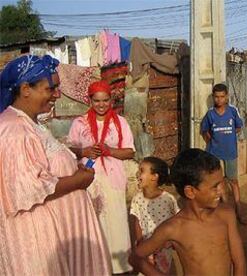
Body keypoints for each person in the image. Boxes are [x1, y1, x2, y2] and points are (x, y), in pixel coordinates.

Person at [0, 55, 111, 275]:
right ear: (25, 89)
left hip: (59, 230)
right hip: (34, 238)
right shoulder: (13, 130)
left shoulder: (30, 123)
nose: (57, 94)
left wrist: (72, 168)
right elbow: (26, 187)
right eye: (51, 88)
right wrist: (78, 180)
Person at [130, 148, 246, 276]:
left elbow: (239, 263)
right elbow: (135, 257)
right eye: (215, 186)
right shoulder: (173, 228)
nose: (221, 190)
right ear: (190, 192)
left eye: (221, 183)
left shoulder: (226, 215)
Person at [67, 80, 135, 274]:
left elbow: (130, 152)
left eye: (105, 100)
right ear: (90, 100)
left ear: (111, 100)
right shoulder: (79, 123)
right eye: (97, 101)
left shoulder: (120, 123)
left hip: (113, 181)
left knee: (117, 223)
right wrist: (83, 151)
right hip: (89, 182)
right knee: (93, 222)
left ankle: (119, 267)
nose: (101, 105)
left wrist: (110, 150)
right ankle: (95, 266)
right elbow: (68, 149)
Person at [201, 83, 245, 223]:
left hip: (230, 152)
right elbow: (205, 131)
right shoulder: (210, 114)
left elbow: (238, 127)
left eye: (222, 97)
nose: (219, 100)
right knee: (218, 182)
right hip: (214, 153)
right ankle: (226, 212)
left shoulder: (232, 111)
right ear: (214, 98)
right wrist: (212, 142)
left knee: (233, 181)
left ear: (227, 97)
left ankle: (239, 211)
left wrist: (228, 136)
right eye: (216, 97)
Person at [129, 156, 180, 274]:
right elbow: (137, 222)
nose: (138, 174)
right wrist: (140, 243)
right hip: (146, 246)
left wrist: (172, 242)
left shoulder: (168, 199)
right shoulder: (137, 199)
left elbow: (176, 220)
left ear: (154, 177)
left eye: (142, 171)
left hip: (164, 246)